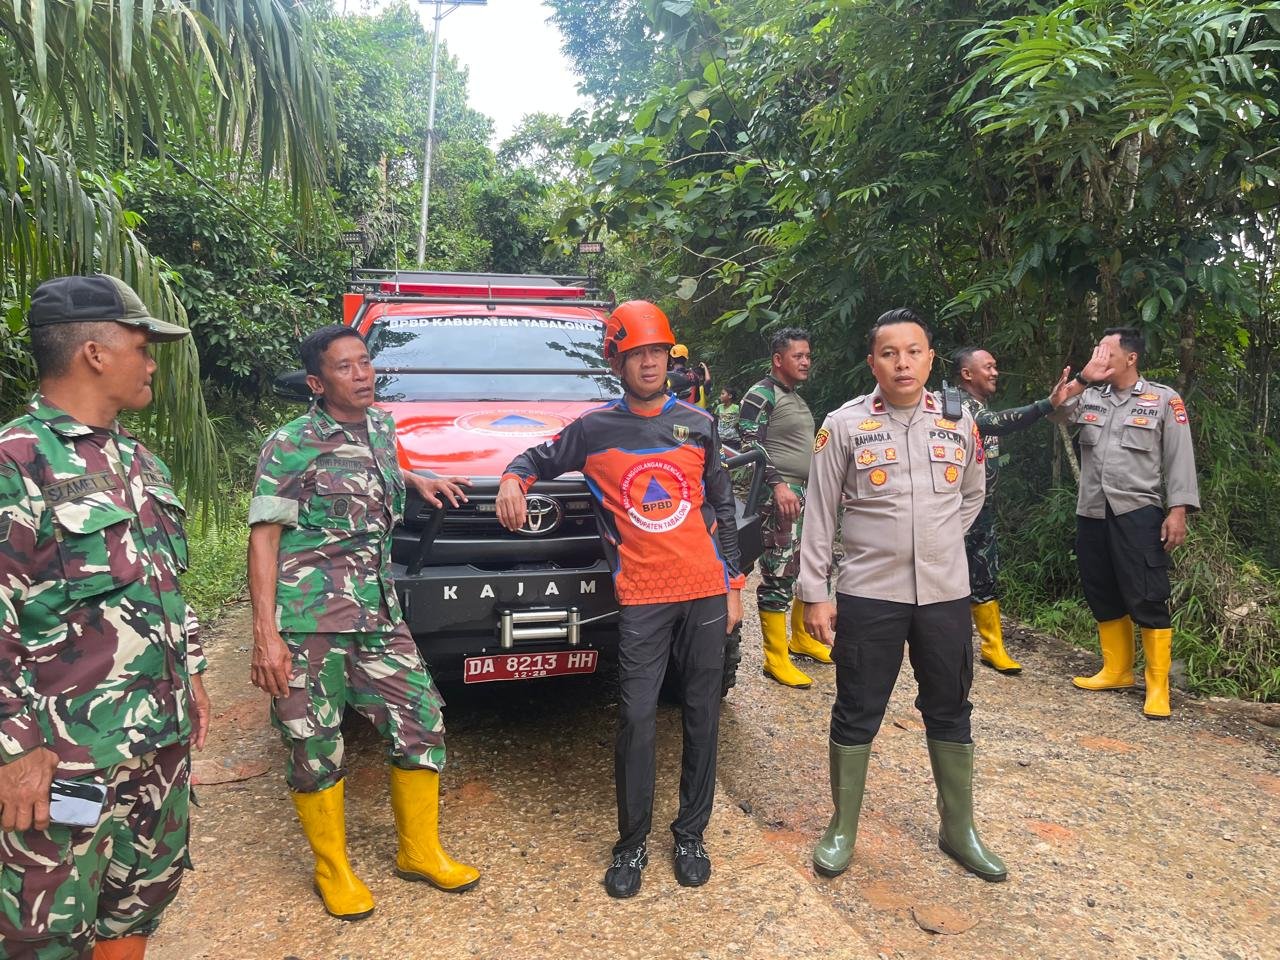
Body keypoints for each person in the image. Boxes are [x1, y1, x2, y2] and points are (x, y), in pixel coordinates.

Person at [495, 300, 745, 899]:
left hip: (706, 591)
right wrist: (512, 478)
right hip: (642, 597)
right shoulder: (594, 429)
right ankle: (631, 843)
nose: (650, 363)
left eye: (657, 352)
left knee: (701, 713)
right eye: (636, 354)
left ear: (669, 357)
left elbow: (725, 510)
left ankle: (691, 833)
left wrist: (735, 586)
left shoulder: (699, 424)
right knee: (635, 718)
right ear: (617, 362)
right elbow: (536, 458)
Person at [0, 274, 211, 960]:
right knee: (50, 926)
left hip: (157, 746)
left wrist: (196, 674)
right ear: (95, 351)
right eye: (143, 346)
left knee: (138, 904)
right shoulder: (16, 462)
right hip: (65, 762)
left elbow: (164, 583)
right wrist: (14, 748)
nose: (152, 363)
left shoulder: (141, 462)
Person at [247, 324, 478, 923]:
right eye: (346, 368)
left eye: (365, 362)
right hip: (308, 620)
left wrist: (415, 480)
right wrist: (265, 634)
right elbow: (264, 538)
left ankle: (418, 850)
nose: (363, 375)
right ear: (318, 384)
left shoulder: (380, 427)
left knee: (421, 717)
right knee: (313, 744)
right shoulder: (290, 443)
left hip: (377, 611)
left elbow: (376, 476)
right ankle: (334, 869)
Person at [798, 308, 1007, 883]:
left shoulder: (958, 422)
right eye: (889, 353)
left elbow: (971, 494)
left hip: (944, 593)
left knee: (950, 706)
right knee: (858, 708)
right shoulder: (843, 426)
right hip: (870, 593)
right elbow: (819, 513)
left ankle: (958, 829)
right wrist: (816, 592)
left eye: (913, 351)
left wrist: (934, 542)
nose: (902, 362)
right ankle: (842, 829)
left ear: (931, 358)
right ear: (872, 363)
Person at [1049, 328, 1199, 718]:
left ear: (1130, 358)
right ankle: (1116, 671)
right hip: (1092, 511)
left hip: (1137, 511)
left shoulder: (1163, 399)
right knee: (1101, 590)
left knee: (1147, 595)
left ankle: (1156, 685)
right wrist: (1082, 379)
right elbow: (1058, 411)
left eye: (1106, 350)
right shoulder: (1091, 395)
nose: (1099, 355)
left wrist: (1179, 509)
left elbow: (1179, 457)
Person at [952, 346, 1074, 675]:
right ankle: (945, 646)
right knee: (947, 579)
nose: (995, 372)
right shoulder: (957, 405)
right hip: (952, 511)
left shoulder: (979, 405)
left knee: (985, 575)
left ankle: (993, 648)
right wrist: (1046, 405)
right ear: (967, 374)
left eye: (995, 367)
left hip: (982, 509)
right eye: (988, 367)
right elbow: (993, 424)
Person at [737, 327, 828, 687]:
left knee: (803, 566)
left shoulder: (795, 398)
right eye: (798, 356)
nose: (806, 361)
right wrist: (777, 486)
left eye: (808, 355)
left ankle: (802, 639)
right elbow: (749, 445)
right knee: (778, 569)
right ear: (778, 360)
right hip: (780, 496)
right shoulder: (762, 394)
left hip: (804, 493)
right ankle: (775, 659)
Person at [668, 344, 710, 408]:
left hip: (672, 413)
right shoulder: (694, 376)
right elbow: (697, 399)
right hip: (689, 414)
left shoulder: (668, 376)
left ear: (672, 359)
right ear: (686, 359)